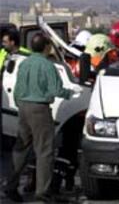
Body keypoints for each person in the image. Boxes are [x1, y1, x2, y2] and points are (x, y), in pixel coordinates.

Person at [4, 33, 79, 203]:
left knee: (21, 148)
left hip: (23, 107)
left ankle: (11, 187)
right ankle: (42, 193)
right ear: (46, 47)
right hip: (39, 109)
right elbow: (56, 91)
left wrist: (20, 104)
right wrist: (72, 93)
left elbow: (18, 88)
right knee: (44, 151)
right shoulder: (48, 65)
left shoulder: (25, 64)